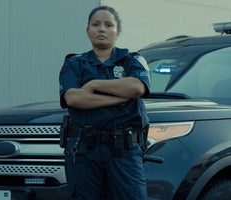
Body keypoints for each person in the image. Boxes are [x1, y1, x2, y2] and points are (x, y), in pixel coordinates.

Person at [58, 5, 150, 200]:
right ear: (87, 31)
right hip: (83, 152)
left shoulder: (132, 60)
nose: (101, 29)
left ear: (117, 32)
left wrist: (93, 84)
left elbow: (137, 87)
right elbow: (73, 98)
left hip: (124, 151)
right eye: (96, 24)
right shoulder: (74, 64)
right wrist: (118, 97)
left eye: (108, 25)